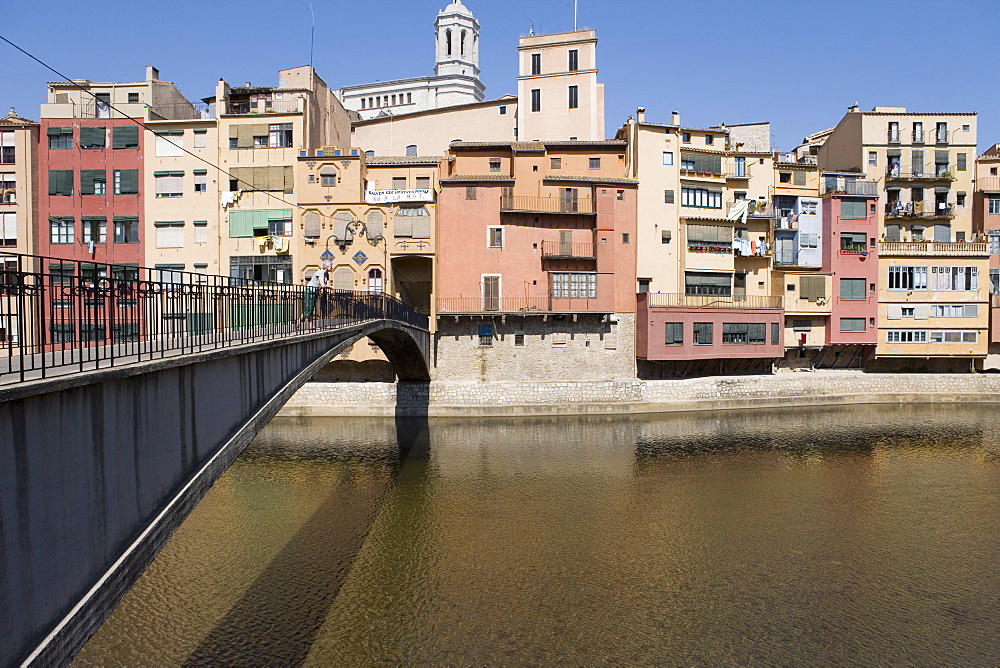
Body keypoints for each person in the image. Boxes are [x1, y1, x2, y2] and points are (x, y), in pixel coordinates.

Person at [296, 264, 329, 329]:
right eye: (331, 266)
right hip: (309, 291)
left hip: (314, 292)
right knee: (309, 307)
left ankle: (309, 325)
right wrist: (331, 287)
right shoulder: (320, 272)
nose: (332, 267)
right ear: (327, 266)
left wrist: (321, 289)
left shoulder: (326, 274)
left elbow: (324, 284)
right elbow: (322, 284)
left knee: (311, 308)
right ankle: (299, 321)